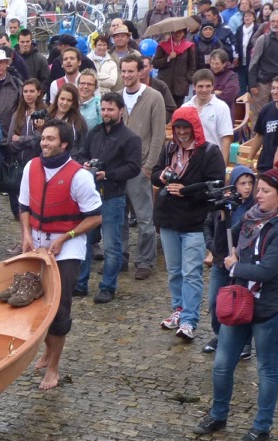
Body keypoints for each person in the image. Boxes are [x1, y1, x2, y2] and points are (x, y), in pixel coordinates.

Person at [194, 167, 278, 441]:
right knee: (221, 365)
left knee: (266, 369)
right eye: (258, 190)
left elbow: (268, 270)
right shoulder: (250, 217)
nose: (259, 195)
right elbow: (223, 244)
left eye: (266, 191)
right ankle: (219, 415)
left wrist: (236, 266)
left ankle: (262, 426)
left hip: (268, 308)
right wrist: (223, 216)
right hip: (240, 303)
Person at [19, 119, 102, 390]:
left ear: (64, 143)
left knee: (59, 310)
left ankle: (53, 368)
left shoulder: (79, 176)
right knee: (35, 305)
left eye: (51, 139)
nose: (44, 143)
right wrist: (27, 236)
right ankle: (46, 349)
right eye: (43, 138)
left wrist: (66, 238)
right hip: (37, 245)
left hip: (67, 248)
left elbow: (95, 217)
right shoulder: (31, 167)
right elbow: (23, 207)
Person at [152, 106, 227, 342]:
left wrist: (186, 191)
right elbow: (153, 173)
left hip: (195, 221)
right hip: (169, 220)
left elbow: (215, 184)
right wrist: (161, 176)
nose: (182, 132)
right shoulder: (169, 149)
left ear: (195, 128)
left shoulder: (209, 152)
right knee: (174, 271)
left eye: (186, 128)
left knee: (191, 273)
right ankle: (179, 309)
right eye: (178, 128)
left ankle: (189, 321)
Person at [74, 92, 142, 302]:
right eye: (103, 109)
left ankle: (108, 286)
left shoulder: (130, 138)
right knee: (83, 241)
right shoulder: (94, 131)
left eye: (110, 109)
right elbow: (82, 153)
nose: (106, 113)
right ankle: (80, 283)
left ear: (120, 110)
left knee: (112, 245)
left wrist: (109, 174)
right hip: (90, 195)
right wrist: (85, 164)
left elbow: (133, 167)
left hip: (113, 195)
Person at [120, 54, 167, 280]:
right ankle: (120, 256)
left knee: (144, 219)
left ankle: (145, 260)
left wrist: (149, 167)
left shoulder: (153, 97)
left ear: (140, 71)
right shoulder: (118, 98)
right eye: (124, 71)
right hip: (118, 169)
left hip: (140, 167)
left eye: (131, 71)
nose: (127, 75)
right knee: (118, 217)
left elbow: (158, 135)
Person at [202, 165, 256, 354]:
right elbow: (208, 225)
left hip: (241, 264)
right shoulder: (223, 204)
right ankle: (220, 335)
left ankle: (245, 342)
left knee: (243, 302)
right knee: (215, 301)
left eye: (250, 183)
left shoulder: (254, 209)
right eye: (242, 183)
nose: (247, 187)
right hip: (220, 261)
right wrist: (211, 246)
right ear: (233, 185)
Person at [0, 48, 24, 223]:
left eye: (1, 62)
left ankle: (17, 209)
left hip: (11, 136)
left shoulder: (17, 84)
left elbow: (23, 109)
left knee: (14, 174)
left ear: (7, 64)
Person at [184, 68, 234, 161]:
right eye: (200, 86)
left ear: (213, 87)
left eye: (208, 86)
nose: (204, 90)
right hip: (190, 161)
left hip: (213, 160)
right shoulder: (185, 108)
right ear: (194, 87)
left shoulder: (221, 107)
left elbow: (226, 139)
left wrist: (222, 166)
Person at [248, 10, 278, 119]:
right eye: (273, 21)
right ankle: (256, 136)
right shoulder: (263, 39)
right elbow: (253, 62)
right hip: (263, 83)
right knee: (259, 115)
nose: (276, 24)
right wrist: (252, 84)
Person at [154, 28, 197, 105]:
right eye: (175, 32)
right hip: (165, 83)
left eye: (180, 32)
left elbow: (192, 65)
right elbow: (155, 63)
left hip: (181, 85)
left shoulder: (188, 47)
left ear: (184, 33)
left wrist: (188, 77)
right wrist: (168, 58)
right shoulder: (162, 46)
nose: (177, 34)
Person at [248, 74, 278, 172]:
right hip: (265, 164)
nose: (275, 92)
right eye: (273, 88)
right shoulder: (266, 109)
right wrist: (249, 159)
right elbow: (259, 136)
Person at [48, 83, 88, 154]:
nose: (65, 103)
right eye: (62, 99)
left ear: (73, 103)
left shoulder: (79, 121)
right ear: (57, 99)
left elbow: (82, 146)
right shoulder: (47, 116)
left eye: (69, 100)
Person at [235, 8, 259, 93]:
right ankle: (242, 105)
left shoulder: (257, 29)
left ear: (254, 18)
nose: (247, 18)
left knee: (251, 86)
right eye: (245, 16)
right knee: (241, 86)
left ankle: (250, 105)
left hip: (253, 61)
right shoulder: (239, 29)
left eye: (249, 16)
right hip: (241, 61)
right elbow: (236, 43)